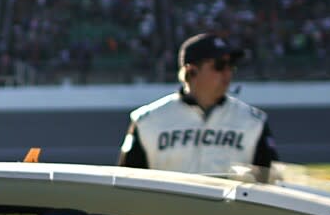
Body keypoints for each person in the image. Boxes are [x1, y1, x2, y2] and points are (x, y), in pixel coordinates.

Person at [118, 31, 280, 177]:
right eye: (219, 66)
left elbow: (270, 180)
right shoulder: (147, 120)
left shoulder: (253, 121)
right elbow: (128, 181)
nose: (227, 73)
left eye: (231, 66)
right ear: (191, 71)